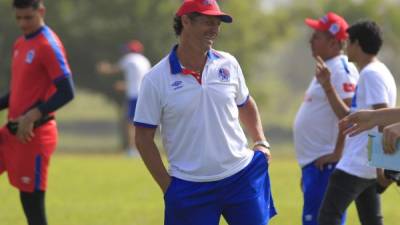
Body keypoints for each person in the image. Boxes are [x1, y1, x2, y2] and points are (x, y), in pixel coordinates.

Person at [133, 0, 276, 224]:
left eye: (217, 23)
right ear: (186, 21)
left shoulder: (228, 63)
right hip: (190, 186)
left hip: (241, 176)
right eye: (208, 22)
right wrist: (168, 188)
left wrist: (260, 141)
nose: (214, 29)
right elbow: (143, 138)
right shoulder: (155, 79)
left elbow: (245, 103)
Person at [0, 0, 75, 225]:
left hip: (33, 137)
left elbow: (67, 91)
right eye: (18, 18)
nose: (23, 24)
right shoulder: (21, 43)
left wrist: (33, 115)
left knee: (32, 210)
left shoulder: (47, 45)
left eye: (28, 18)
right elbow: (19, 92)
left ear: (41, 11)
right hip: (10, 132)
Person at [315, 20, 397, 225]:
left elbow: (382, 115)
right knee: (371, 220)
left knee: (328, 217)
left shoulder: (372, 74)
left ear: (357, 44)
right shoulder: (376, 71)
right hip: (367, 162)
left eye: (348, 42)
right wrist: (328, 87)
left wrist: (382, 167)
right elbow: (350, 116)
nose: (345, 48)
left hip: (358, 162)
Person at [293, 12, 359, 225]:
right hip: (316, 164)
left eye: (317, 36)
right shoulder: (328, 67)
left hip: (326, 164)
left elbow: (350, 115)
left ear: (333, 42)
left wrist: (337, 153)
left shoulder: (341, 70)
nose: (311, 41)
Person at [97, 40, 151, 156]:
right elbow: (140, 80)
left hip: (134, 96)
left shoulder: (130, 58)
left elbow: (112, 69)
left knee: (130, 123)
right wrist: (125, 85)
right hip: (145, 94)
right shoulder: (145, 61)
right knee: (143, 123)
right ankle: (144, 148)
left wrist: (104, 68)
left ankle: (133, 150)